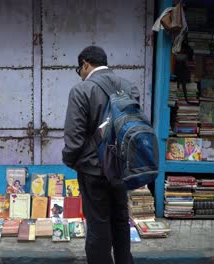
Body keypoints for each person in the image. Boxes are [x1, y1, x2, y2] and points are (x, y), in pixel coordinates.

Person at [62, 46, 138, 264]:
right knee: (120, 220)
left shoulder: (81, 90)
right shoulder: (128, 87)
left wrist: (72, 161)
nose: (81, 74)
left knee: (98, 224)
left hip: (93, 170)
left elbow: (74, 138)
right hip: (122, 167)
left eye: (80, 69)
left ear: (85, 64)